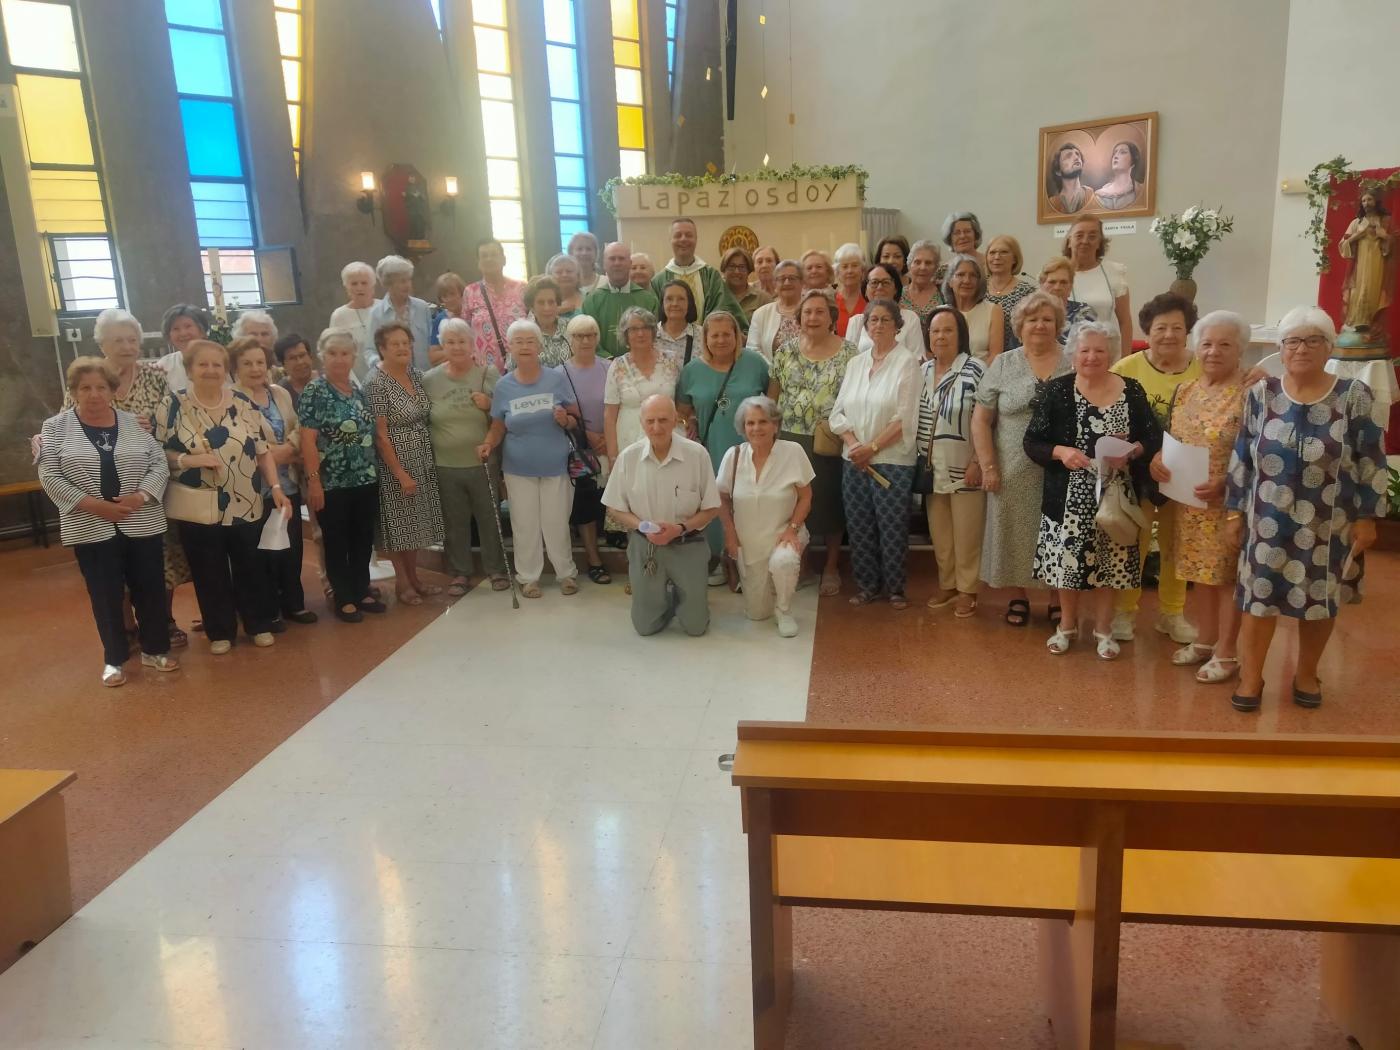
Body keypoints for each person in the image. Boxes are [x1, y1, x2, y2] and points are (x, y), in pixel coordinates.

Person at [1225, 306, 1389, 712]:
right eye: (1293, 341)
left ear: (1328, 347)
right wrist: (1233, 512)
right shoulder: (1261, 395)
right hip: (1267, 519)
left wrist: (1368, 518)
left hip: (1330, 523)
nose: (1302, 348)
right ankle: (1250, 678)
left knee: (1318, 601)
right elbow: (1242, 455)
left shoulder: (1354, 395)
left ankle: (1306, 673)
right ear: (1281, 350)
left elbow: (1372, 458)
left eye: (1313, 340)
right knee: (1257, 600)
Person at [1025, 322, 1162, 659]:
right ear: (1073, 355)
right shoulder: (1056, 391)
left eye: (1100, 350)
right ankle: (1066, 627)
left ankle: (1104, 631)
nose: (1091, 357)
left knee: (1110, 565)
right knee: (1067, 566)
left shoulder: (1131, 389)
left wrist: (1133, 452)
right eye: (1085, 350)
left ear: (1111, 354)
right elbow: (1032, 442)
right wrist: (1061, 452)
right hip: (1068, 496)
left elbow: (1152, 436)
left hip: (1116, 493)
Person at [40, 358, 177, 686]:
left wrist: (141, 497)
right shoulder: (55, 427)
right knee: (105, 595)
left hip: (140, 520)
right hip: (90, 524)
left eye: (101, 387)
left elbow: (158, 464)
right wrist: (94, 506)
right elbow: (49, 474)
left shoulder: (135, 423)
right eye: (85, 387)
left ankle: (155, 649)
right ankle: (114, 659)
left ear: (113, 392)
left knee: (151, 589)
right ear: (73, 392)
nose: (94, 394)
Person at [156, 340, 288, 653]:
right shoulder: (172, 405)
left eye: (217, 365)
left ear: (225, 369)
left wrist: (278, 488)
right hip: (198, 503)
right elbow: (159, 452)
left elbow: (261, 449)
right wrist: (189, 461)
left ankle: (257, 624)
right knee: (208, 569)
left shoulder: (241, 401)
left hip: (246, 500)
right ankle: (220, 632)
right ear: (189, 370)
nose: (211, 370)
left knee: (250, 566)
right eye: (203, 364)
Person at [1148, 311, 1251, 684]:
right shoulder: (1187, 390)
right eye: (1207, 343)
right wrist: (1160, 459)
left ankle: (1228, 652)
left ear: (1240, 349)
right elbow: (1172, 438)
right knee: (1199, 576)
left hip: (1228, 504)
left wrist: (1228, 481)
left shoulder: (1250, 393)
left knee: (1225, 580)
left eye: (1225, 344)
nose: (1213, 351)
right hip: (1187, 502)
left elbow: (1262, 452)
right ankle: (1206, 642)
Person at [972, 291, 1073, 627]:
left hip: (1063, 468)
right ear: (1020, 326)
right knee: (1014, 532)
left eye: (1047, 319)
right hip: (1010, 468)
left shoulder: (1073, 359)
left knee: (1058, 532)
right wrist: (988, 466)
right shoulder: (1003, 363)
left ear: (1058, 325)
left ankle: (1059, 598)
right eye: (1032, 319)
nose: (1040, 325)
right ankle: (1019, 596)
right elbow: (981, 419)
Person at [1109, 292, 1201, 644]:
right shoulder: (1127, 368)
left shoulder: (1200, 367)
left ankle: (1172, 614)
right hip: (1139, 472)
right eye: (1160, 327)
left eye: (1177, 327)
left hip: (1186, 473)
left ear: (1187, 330)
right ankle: (1124, 612)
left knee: (1176, 545)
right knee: (1134, 543)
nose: (1168, 335)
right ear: (1148, 329)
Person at [602, 395, 721, 636]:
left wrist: (680, 529)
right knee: (645, 627)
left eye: (664, 420)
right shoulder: (629, 457)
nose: (657, 428)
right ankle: (663, 598)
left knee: (696, 627)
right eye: (651, 421)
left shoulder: (697, 455)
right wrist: (644, 527)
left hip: (688, 543)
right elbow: (614, 506)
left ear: (676, 420)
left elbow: (712, 507)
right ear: (641, 422)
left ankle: (685, 596)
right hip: (646, 546)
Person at [478, 319, 580, 597]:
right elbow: (498, 425)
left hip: (555, 464)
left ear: (539, 345)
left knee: (557, 522)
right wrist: (488, 444)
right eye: (518, 341)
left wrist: (565, 419)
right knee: (524, 524)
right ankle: (528, 577)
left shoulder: (556, 378)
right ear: (510, 347)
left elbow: (575, 419)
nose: (524, 346)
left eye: (529, 341)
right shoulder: (504, 386)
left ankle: (566, 574)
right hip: (518, 467)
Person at [829, 299, 920, 608]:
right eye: (872, 320)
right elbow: (837, 413)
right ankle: (867, 586)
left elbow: (904, 418)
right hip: (853, 459)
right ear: (865, 327)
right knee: (859, 525)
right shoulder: (856, 363)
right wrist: (855, 445)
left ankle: (895, 589)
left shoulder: (907, 361)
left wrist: (873, 447)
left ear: (898, 324)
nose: (878, 325)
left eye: (884, 319)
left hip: (892, 461)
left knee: (891, 526)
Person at [769, 289, 858, 596]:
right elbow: (773, 396)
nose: (813, 317)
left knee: (831, 503)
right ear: (799, 318)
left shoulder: (850, 352)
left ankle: (831, 567)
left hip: (830, 440)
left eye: (820, 312)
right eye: (807, 312)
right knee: (793, 505)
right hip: (791, 440)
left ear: (832, 318)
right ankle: (801, 563)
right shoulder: (784, 351)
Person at [299, 328, 383, 623]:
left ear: (353, 356)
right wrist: (314, 481)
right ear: (322, 356)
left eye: (345, 353)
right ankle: (344, 597)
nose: (339, 359)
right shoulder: (316, 391)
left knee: (362, 540)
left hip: (365, 478)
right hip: (332, 483)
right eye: (332, 353)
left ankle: (361, 590)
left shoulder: (358, 392)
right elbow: (307, 440)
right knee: (336, 542)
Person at [230, 338, 316, 629]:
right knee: (260, 553)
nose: (256, 369)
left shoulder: (279, 393)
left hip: (286, 483)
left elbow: (297, 428)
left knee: (290, 548)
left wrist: (283, 452)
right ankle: (266, 610)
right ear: (235, 368)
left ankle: (293, 603)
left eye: (260, 362)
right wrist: (270, 454)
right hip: (253, 488)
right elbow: (238, 443)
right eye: (247, 363)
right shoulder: (230, 398)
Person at [678, 311, 771, 577]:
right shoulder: (692, 370)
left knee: (749, 503)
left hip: (751, 449)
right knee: (715, 502)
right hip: (711, 449)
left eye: (726, 334)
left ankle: (750, 561)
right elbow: (683, 408)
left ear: (737, 336)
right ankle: (717, 558)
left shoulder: (754, 363)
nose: (720, 340)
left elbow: (771, 399)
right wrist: (692, 421)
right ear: (705, 338)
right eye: (714, 335)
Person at [423, 317, 509, 596]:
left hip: (483, 461)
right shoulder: (429, 379)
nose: (457, 346)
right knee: (455, 521)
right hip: (445, 464)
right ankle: (460, 572)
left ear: (472, 344)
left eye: (462, 341)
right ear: (442, 345)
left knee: (489, 517)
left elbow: (502, 417)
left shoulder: (488, 373)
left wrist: (489, 405)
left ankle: (495, 568)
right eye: (450, 342)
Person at [718, 396, 814, 637]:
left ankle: (784, 609)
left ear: (775, 425)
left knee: (784, 562)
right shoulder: (734, 455)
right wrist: (730, 535)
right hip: (748, 542)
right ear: (743, 427)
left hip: (784, 534)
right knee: (757, 613)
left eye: (763, 421)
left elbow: (806, 496)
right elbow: (721, 498)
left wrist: (792, 528)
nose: (756, 428)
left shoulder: (793, 452)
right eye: (750, 423)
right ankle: (767, 597)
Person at [365, 322, 444, 605]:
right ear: (382, 349)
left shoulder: (416, 374)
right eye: (394, 343)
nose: (401, 348)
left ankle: (416, 579)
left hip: (422, 456)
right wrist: (400, 473)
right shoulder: (376, 383)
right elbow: (380, 435)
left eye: (405, 342)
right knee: (398, 526)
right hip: (395, 462)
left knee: (415, 524)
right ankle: (402, 583)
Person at [916, 306, 986, 617]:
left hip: (966, 464)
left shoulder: (976, 369)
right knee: (940, 532)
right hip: (931, 467)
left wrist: (978, 461)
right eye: (935, 331)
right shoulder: (922, 371)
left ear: (961, 335)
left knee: (967, 532)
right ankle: (947, 583)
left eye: (948, 330)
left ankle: (968, 590)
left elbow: (988, 421)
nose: (940, 336)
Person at [559, 314, 613, 584]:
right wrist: (589, 434)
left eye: (591, 334)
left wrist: (605, 436)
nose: (585, 340)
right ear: (570, 340)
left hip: (610, 441)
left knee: (613, 496)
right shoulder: (560, 373)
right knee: (585, 502)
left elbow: (618, 405)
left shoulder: (610, 367)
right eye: (579, 336)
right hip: (579, 447)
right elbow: (560, 410)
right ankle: (593, 559)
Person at [649, 217, 746, 329]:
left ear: (696, 239)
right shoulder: (658, 281)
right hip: (669, 343)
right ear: (670, 240)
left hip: (707, 343)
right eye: (678, 235)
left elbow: (723, 309)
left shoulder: (711, 276)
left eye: (689, 235)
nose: (683, 239)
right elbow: (654, 320)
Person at [1065, 217, 1132, 358]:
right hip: (1067, 356)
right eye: (1079, 235)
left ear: (1099, 242)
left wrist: (1126, 359)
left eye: (1092, 236)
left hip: (1105, 354)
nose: (1085, 241)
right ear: (1069, 240)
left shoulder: (1114, 272)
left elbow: (1125, 322)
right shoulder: (1056, 274)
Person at [583, 240, 660, 360]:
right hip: (603, 366)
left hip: (640, 364)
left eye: (621, 258)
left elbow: (654, 336)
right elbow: (588, 336)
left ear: (629, 263)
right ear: (604, 264)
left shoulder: (649, 300)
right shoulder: (592, 300)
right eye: (612, 259)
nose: (617, 263)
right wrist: (608, 359)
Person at [463, 237, 527, 374]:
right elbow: (465, 331)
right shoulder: (470, 292)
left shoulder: (521, 289)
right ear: (478, 263)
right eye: (484, 256)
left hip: (521, 368)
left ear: (504, 259)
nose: (489, 259)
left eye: (494, 254)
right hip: (485, 372)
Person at [368, 255, 434, 372]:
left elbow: (431, 343)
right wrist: (383, 367)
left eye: (409, 280)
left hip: (424, 376)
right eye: (402, 281)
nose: (408, 285)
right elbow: (370, 350)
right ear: (388, 284)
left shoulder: (422, 307)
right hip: (392, 379)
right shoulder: (377, 313)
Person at [844, 263, 924, 358]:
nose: (880, 287)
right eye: (874, 282)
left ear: (896, 289)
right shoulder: (856, 322)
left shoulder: (910, 318)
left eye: (886, 282)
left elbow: (918, 358)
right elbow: (849, 361)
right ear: (865, 290)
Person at [1339, 190, 1392, 331]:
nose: (1366, 203)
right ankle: (1356, 322)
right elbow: (1342, 245)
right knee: (1357, 290)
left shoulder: (1386, 221)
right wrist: (1358, 235)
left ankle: (1370, 322)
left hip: (1378, 262)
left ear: (1376, 202)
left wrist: (1385, 236)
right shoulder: (1356, 222)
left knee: (1373, 290)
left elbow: (1394, 245)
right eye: (1363, 201)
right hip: (1359, 264)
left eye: (1369, 200)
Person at [942, 253, 1004, 363]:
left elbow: (995, 355)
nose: (967, 280)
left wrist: (974, 377)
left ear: (979, 282)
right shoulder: (940, 313)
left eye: (973, 276)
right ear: (950, 281)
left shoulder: (993, 311)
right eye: (960, 275)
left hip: (982, 375)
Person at [746, 259, 804, 361]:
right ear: (775, 284)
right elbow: (753, 350)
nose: (787, 282)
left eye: (792, 278)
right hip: (770, 374)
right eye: (781, 279)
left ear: (802, 282)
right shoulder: (761, 314)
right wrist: (773, 371)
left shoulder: (813, 311)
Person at [985, 235, 1036, 351]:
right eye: (992, 253)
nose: (997, 257)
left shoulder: (1028, 292)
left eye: (1004, 252)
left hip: (1016, 355)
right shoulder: (977, 289)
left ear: (1014, 258)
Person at [329, 261, 379, 378]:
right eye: (354, 283)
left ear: (372, 286)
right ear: (347, 287)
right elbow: (335, 352)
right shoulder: (339, 315)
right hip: (354, 379)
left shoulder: (383, 309)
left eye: (364, 283)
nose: (359, 288)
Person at [152, 303, 213, 393]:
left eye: (188, 326)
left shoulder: (221, 360)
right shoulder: (164, 365)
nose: (183, 333)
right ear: (169, 335)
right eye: (176, 329)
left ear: (202, 330)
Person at [1038, 257, 1097, 344]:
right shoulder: (1027, 313)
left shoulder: (1085, 312)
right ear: (1042, 286)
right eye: (1052, 282)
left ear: (1070, 287)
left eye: (1063, 282)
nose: (1057, 287)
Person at [526, 276, 572, 367]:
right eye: (541, 302)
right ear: (531, 306)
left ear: (557, 303)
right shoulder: (523, 332)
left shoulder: (571, 327)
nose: (547, 308)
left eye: (551, 302)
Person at [900, 240, 943, 334]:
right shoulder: (898, 296)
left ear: (936, 267)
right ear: (910, 265)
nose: (922, 267)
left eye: (928, 263)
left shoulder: (944, 295)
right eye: (917, 262)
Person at [656, 280, 703, 363]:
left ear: (689, 303)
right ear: (662, 303)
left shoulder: (703, 335)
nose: (675, 303)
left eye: (681, 299)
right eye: (669, 299)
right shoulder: (649, 335)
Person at [1092, 140, 1147, 212]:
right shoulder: (1099, 195)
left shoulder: (1140, 191)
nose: (1115, 156)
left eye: (1123, 152)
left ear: (1133, 161)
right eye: (1114, 153)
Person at [428, 271, 467, 366]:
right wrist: (459, 351)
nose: (449, 299)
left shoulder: (474, 316)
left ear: (462, 293)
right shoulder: (440, 319)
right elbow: (432, 357)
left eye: (452, 294)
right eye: (445, 296)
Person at [721, 246, 770, 321]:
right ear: (724, 270)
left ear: (748, 271)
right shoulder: (715, 297)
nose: (737, 271)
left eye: (742, 267)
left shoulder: (763, 299)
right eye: (732, 266)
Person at [275, 332, 318, 412]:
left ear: (310, 357)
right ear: (284, 365)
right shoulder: (280, 393)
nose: (300, 362)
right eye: (292, 358)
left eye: (302, 355)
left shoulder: (328, 383)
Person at [831, 243, 868, 335]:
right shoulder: (830, 300)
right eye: (845, 266)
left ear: (862, 270)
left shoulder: (870, 298)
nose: (850, 271)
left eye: (855, 265)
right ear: (837, 272)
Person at [938, 211, 984, 282]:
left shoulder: (990, 264)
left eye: (967, 231)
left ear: (976, 235)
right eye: (957, 233)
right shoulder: (943, 271)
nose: (962, 236)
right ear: (949, 239)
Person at [1047, 142, 1091, 215]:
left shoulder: (1090, 194)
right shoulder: (1052, 203)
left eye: (1077, 154)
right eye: (1068, 156)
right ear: (1058, 171)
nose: (1076, 157)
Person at [545, 252, 585, 319]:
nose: (564, 275)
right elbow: (531, 325)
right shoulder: (540, 297)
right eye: (558, 272)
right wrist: (555, 311)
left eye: (569, 271)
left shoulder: (590, 299)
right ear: (550, 276)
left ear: (578, 276)